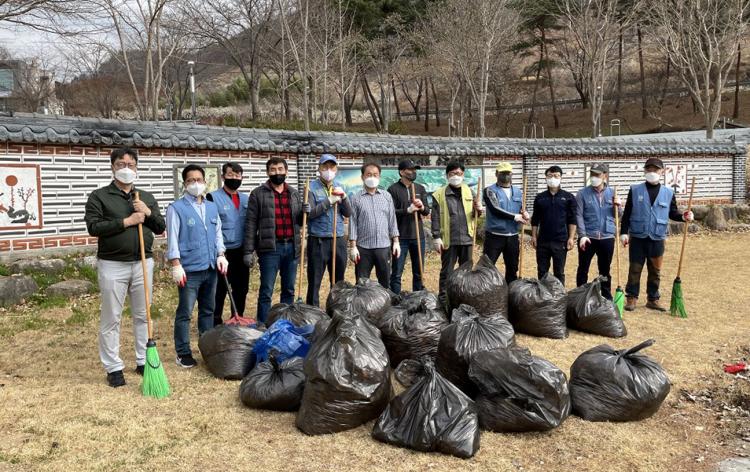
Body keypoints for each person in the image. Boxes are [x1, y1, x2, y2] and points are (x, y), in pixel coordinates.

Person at [84, 147, 166, 388]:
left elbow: (160, 226)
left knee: (143, 314)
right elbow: (94, 227)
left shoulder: (145, 197)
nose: (126, 169)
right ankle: (113, 366)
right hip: (113, 264)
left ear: (137, 167)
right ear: (113, 167)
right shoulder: (99, 196)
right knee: (112, 316)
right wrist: (127, 221)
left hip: (143, 262)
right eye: (121, 164)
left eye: (131, 164)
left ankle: (142, 360)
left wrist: (147, 212)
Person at [166, 164, 228, 368]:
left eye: (199, 180)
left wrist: (221, 254)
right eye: (191, 180)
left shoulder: (211, 206)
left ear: (205, 182)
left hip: (210, 267)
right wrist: (176, 264)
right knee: (185, 312)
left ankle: (206, 347)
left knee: (208, 310)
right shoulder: (176, 208)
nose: (195, 183)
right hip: (189, 270)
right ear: (184, 184)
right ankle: (183, 352)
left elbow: (217, 233)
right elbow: (172, 238)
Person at [620, 157, 694, 311]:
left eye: (655, 169)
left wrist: (683, 216)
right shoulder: (635, 190)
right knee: (635, 269)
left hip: (657, 236)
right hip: (638, 236)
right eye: (649, 169)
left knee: (655, 270)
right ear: (645, 171)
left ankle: (653, 299)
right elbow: (627, 213)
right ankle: (631, 298)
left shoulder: (668, 192)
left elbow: (672, 213)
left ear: (662, 171)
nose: (652, 172)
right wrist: (623, 232)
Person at [243, 157, 303, 324]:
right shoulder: (258, 194)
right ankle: (263, 324)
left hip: (291, 247)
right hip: (270, 248)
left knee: (289, 289)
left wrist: (305, 211)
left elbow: (299, 221)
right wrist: (248, 251)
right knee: (266, 290)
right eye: (273, 170)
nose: (277, 173)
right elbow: (250, 223)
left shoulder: (293, 193)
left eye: (280, 169)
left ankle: (285, 323)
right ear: (268, 172)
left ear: (286, 171)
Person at [303, 154, 352, 306]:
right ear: (319, 169)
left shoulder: (340, 186)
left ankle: (336, 309)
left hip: (338, 239)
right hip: (318, 240)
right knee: (315, 280)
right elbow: (310, 214)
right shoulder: (310, 188)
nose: (328, 170)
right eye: (325, 166)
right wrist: (328, 201)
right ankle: (313, 311)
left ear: (336, 169)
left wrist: (344, 198)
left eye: (332, 167)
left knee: (338, 281)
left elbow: (348, 213)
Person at [431, 161, 483, 304]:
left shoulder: (470, 192)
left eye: (459, 173)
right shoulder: (439, 194)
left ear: (463, 175)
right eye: (452, 173)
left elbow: (475, 215)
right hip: (449, 239)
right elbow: (435, 216)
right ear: (447, 175)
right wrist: (436, 236)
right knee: (447, 271)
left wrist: (479, 209)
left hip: (467, 238)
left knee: (466, 271)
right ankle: (444, 299)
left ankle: (464, 298)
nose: (456, 176)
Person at [206, 163, 249, 325]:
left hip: (241, 250)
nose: (234, 178)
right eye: (230, 175)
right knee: (220, 288)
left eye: (238, 175)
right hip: (222, 252)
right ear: (223, 176)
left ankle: (237, 317)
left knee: (241, 288)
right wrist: (219, 252)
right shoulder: (212, 198)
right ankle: (215, 320)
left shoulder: (245, 199)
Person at [348, 163, 400, 288]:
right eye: (369, 174)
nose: (372, 177)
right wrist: (353, 246)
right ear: (362, 177)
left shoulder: (386, 196)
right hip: (363, 248)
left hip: (383, 246)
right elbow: (353, 223)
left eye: (375, 175)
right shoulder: (356, 198)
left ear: (379, 177)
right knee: (361, 283)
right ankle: (362, 301)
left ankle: (385, 300)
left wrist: (396, 241)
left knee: (385, 282)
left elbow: (392, 219)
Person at [575, 163, 622, 299]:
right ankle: (580, 295)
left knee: (605, 269)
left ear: (604, 176)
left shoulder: (612, 193)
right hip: (588, 237)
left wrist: (618, 206)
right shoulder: (582, 194)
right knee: (583, 268)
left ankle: (606, 296)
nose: (593, 177)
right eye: (592, 174)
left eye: (597, 174)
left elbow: (618, 215)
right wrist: (582, 235)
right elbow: (578, 215)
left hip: (607, 237)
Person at [387, 159, 430, 294]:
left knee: (419, 271)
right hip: (400, 237)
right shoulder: (393, 189)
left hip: (418, 237)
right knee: (397, 272)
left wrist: (421, 207)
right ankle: (395, 298)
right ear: (401, 172)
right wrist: (407, 210)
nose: (413, 172)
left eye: (414, 170)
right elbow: (390, 212)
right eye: (410, 170)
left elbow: (427, 211)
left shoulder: (420, 188)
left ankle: (417, 297)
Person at [530, 165, 577, 285]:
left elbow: (572, 219)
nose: (553, 178)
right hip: (543, 241)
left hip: (560, 240)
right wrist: (534, 236)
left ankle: (559, 294)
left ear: (561, 178)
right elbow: (535, 219)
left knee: (559, 272)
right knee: (542, 271)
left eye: (556, 176)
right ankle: (543, 294)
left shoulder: (568, 197)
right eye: (550, 176)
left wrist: (571, 238)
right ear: (546, 178)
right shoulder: (540, 198)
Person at [482, 162, 528, 283]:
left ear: (512, 174)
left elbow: (520, 208)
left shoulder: (517, 191)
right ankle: (486, 291)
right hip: (494, 236)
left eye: (508, 173)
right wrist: (515, 217)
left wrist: (524, 213)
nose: (506, 176)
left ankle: (511, 290)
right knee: (487, 267)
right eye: (502, 173)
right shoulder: (489, 190)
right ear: (496, 174)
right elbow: (495, 209)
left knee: (512, 268)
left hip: (512, 236)